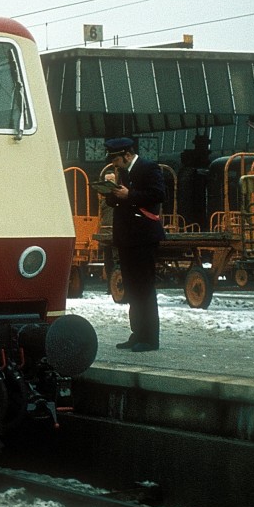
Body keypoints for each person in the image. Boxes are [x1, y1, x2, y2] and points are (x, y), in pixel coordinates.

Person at [102, 137, 166, 352]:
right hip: (127, 237)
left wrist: (130, 194)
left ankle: (150, 338)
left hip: (143, 237)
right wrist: (110, 192)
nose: (114, 164)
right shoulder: (122, 172)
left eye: (116, 160)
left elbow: (159, 194)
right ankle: (137, 333)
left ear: (127, 155)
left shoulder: (148, 167)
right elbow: (118, 202)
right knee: (132, 288)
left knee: (144, 288)